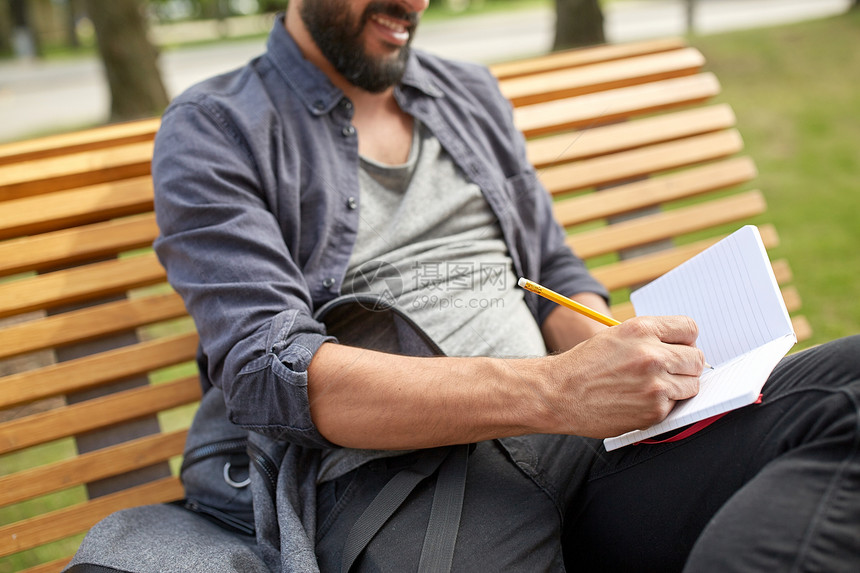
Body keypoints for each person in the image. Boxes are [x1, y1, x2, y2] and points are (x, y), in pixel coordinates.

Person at [66, 1, 860, 572]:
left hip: (586, 446)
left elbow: (551, 272)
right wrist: (554, 391)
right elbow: (268, 370)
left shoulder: (465, 93)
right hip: (409, 483)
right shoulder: (218, 127)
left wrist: (620, 366)